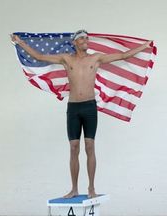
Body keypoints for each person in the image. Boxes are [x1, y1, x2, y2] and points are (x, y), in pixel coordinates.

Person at [11, 30, 152, 199]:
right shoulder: (66, 59)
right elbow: (40, 57)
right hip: (73, 108)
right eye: (82, 38)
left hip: (89, 107)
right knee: (73, 148)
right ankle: (74, 188)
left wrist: (143, 46)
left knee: (90, 146)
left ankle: (91, 188)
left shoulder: (96, 58)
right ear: (75, 42)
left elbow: (123, 56)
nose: (86, 40)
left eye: (87, 38)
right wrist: (20, 42)